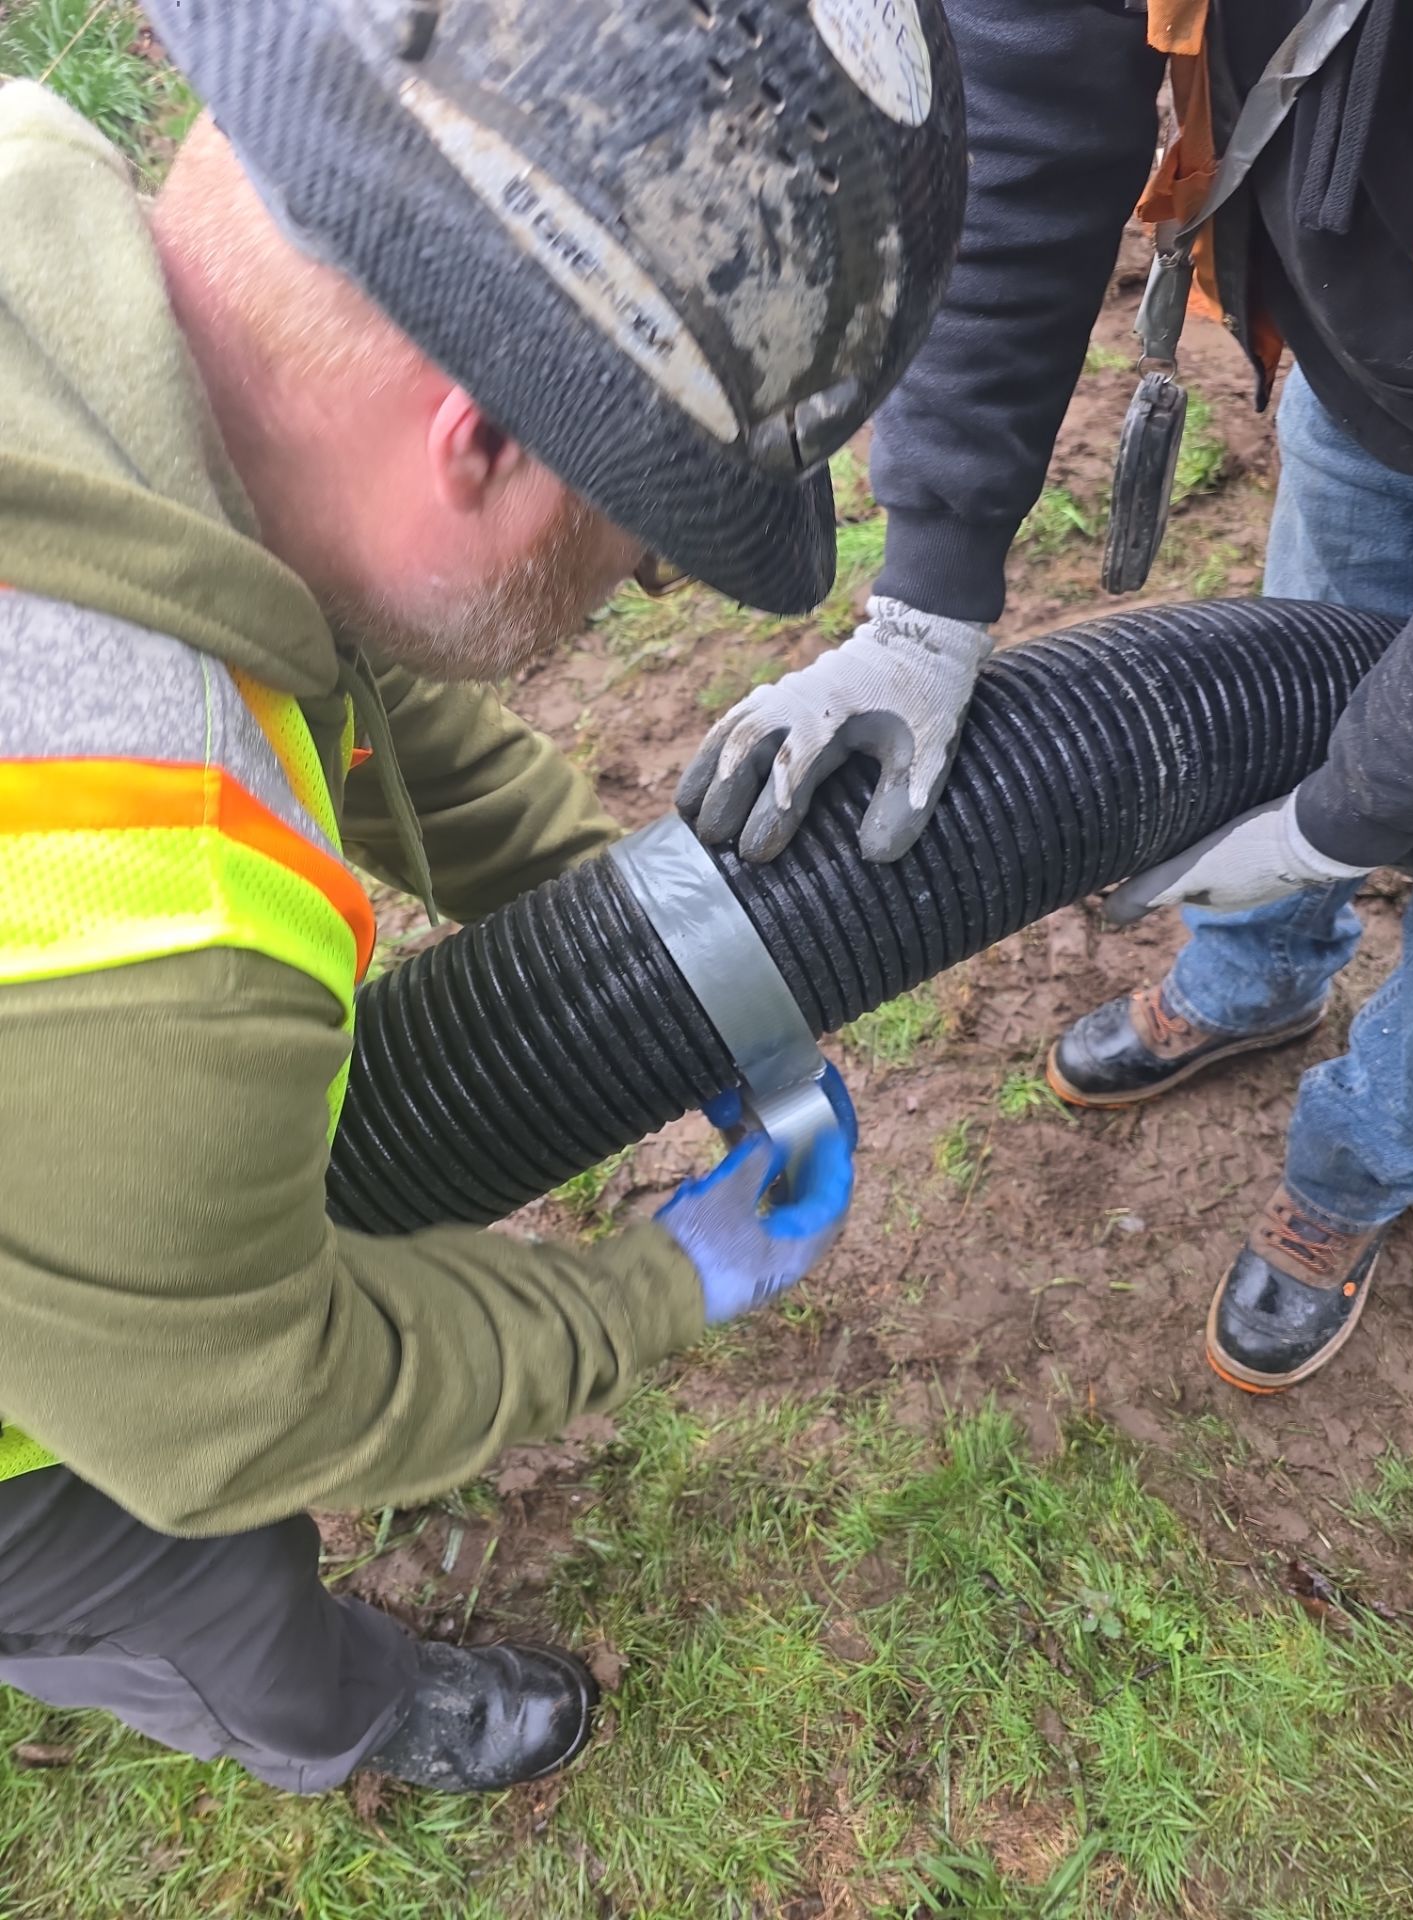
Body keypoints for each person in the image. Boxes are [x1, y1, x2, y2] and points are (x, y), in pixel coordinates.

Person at [0, 0, 964, 1796]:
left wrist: (670, 951)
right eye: (644, 533)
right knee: (191, 1584)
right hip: (66, 1451)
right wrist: (660, 1285)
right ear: (482, 441)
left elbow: (344, 663)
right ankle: (345, 1712)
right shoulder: (159, 930)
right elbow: (246, 1409)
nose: (644, 582)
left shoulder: (43, 211)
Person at [681, 0, 1413, 1395]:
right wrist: (928, 592)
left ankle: (1363, 1159)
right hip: (1386, 367)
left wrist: (1358, 805)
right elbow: (1032, 96)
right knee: (1315, 673)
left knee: (1394, 792)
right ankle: (1253, 982)